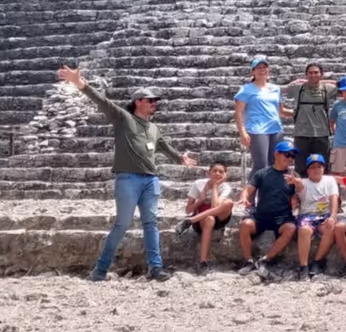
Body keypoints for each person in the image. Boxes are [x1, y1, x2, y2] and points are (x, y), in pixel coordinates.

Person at [56, 65, 196, 282]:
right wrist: (79, 82)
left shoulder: (154, 128)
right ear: (138, 101)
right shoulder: (123, 118)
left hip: (150, 179)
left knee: (151, 223)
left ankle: (156, 268)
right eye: (150, 100)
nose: (154, 104)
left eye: (155, 101)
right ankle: (100, 270)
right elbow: (101, 101)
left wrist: (181, 159)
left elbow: (165, 147)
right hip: (128, 179)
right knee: (122, 224)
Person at [236, 140, 299, 279]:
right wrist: (244, 197)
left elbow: (298, 195)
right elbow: (248, 189)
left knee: (290, 228)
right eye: (287, 155)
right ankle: (248, 261)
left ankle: (265, 259)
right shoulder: (262, 173)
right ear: (276, 154)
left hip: (282, 217)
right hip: (262, 216)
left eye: (292, 156)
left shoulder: (294, 177)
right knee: (245, 225)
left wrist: (296, 197)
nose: (290, 159)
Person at [176, 160, 235, 273]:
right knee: (209, 219)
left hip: (220, 217)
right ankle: (203, 262)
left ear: (224, 175)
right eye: (214, 171)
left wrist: (215, 186)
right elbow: (188, 209)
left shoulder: (226, 187)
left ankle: (190, 221)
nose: (217, 174)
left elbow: (215, 206)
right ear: (209, 173)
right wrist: (200, 201)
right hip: (203, 220)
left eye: (221, 172)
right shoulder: (198, 184)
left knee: (229, 203)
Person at [234, 55, 287, 177]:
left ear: (268, 70)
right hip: (257, 129)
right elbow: (238, 112)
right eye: (258, 67)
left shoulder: (275, 88)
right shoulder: (246, 89)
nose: (262, 69)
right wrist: (242, 133)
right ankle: (249, 195)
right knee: (261, 164)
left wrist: (303, 112)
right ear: (253, 71)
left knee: (275, 163)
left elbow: (281, 111)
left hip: (275, 129)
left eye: (264, 67)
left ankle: (268, 194)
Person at [292, 153, 339, 281]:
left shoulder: (330, 180)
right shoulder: (303, 182)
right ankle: (303, 266)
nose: (316, 169)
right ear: (307, 170)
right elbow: (299, 188)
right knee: (304, 230)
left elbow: (334, 198)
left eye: (319, 166)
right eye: (312, 167)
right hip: (307, 215)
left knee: (331, 228)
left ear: (323, 168)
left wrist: (333, 216)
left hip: (324, 215)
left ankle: (317, 261)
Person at [285, 64, 336, 177]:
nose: (313, 75)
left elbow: (341, 84)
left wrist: (322, 82)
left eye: (316, 72)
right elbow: (280, 90)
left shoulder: (327, 89)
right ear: (306, 75)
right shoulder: (298, 88)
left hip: (321, 134)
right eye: (310, 73)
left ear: (321, 74)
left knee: (323, 166)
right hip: (301, 134)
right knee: (301, 167)